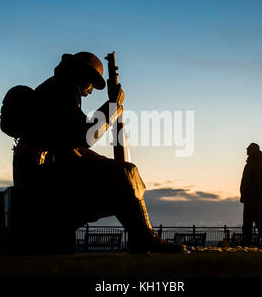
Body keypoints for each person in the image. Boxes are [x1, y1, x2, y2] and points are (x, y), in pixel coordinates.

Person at [12, 52, 184, 253]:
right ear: (82, 74)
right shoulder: (63, 88)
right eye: (92, 84)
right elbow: (85, 136)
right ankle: (143, 239)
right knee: (126, 174)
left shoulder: (57, 87)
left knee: (126, 175)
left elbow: (72, 145)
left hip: (44, 174)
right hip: (46, 178)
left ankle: (142, 238)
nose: (91, 91)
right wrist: (112, 106)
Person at [240, 143, 262, 246]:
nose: (246, 150)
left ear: (253, 150)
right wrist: (244, 195)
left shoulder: (257, 162)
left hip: (254, 197)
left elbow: (256, 182)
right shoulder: (253, 162)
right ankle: (248, 240)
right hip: (251, 197)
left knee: (258, 220)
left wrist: (252, 195)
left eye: (248, 149)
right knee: (250, 221)